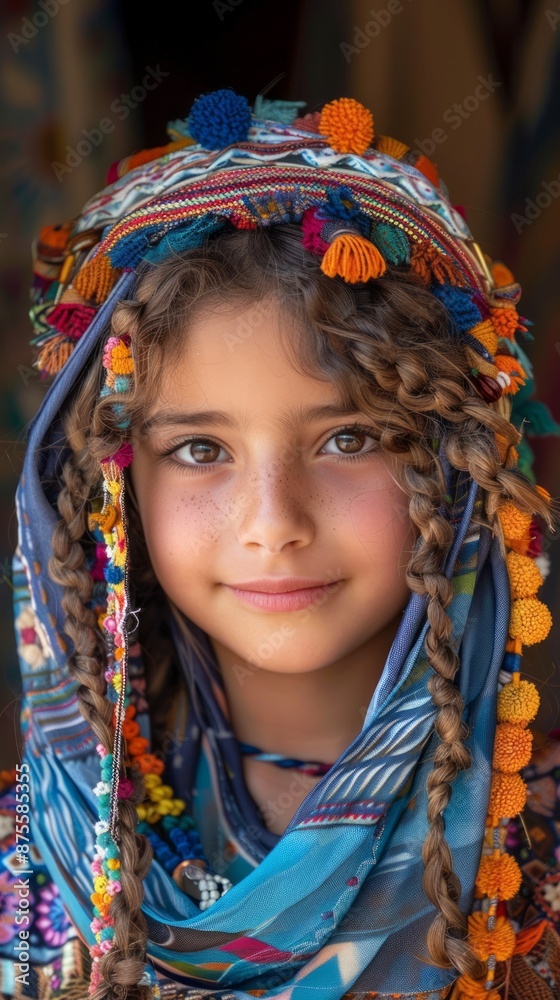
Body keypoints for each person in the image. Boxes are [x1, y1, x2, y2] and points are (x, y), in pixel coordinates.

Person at [0, 88, 559, 1000]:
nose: (273, 521)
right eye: (199, 450)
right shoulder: (28, 877)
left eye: (350, 439)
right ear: (114, 485)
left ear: (458, 464)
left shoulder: (535, 854)